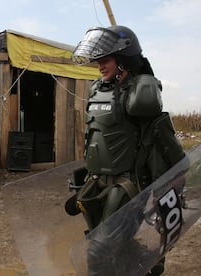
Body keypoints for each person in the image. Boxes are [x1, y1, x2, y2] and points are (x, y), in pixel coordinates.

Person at [66, 26, 186, 275]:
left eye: (105, 60)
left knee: (98, 252)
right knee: (114, 244)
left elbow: (161, 138)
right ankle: (147, 267)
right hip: (97, 183)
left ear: (123, 61)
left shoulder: (140, 93)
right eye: (98, 61)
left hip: (126, 187)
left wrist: (174, 181)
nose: (100, 66)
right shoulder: (98, 89)